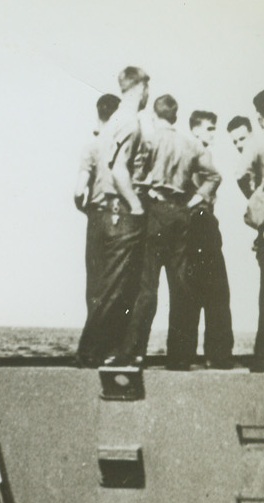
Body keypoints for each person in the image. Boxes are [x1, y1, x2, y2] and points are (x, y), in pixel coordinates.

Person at [122, 94, 220, 368]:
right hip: (182, 215)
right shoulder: (190, 143)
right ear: (176, 117)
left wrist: (146, 192)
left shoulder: (151, 140)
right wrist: (193, 201)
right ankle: (180, 356)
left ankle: (133, 352)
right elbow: (214, 176)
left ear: (155, 116)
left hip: (156, 213)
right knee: (181, 285)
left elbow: (137, 178)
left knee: (147, 285)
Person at [76, 68, 150, 367]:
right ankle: (91, 352)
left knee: (107, 286)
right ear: (141, 87)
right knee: (118, 289)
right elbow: (120, 170)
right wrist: (136, 205)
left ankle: (100, 351)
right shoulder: (131, 123)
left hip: (106, 212)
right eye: (147, 88)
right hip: (122, 212)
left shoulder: (111, 123)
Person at [74, 94, 122, 367]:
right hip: (123, 217)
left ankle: (91, 349)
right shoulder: (127, 147)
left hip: (97, 217)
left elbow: (79, 191)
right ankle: (111, 347)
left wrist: (89, 210)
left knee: (95, 285)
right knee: (118, 285)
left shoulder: (91, 147)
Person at [184, 110, 234, 368]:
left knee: (194, 291)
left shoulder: (193, 152)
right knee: (217, 292)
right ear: (195, 129)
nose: (214, 133)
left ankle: (186, 354)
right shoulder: (198, 154)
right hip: (202, 223)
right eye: (210, 128)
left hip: (195, 226)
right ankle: (218, 355)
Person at [236, 91, 264, 370]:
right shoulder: (257, 145)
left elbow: (242, 176)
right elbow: (241, 175)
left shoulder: (257, 145)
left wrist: (256, 201)